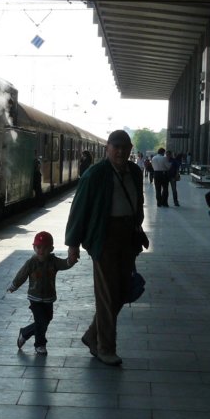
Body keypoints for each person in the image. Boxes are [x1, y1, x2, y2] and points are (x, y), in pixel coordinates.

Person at [65, 129, 148, 367]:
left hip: (128, 236)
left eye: (125, 147)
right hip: (104, 237)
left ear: (130, 149)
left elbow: (138, 202)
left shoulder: (134, 171)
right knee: (107, 294)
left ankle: (93, 335)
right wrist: (73, 244)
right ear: (107, 149)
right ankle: (105, 348)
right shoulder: (95, 174)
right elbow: (79, 209)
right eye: (116, 147)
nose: (120, 152)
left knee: (122, 291)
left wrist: (137, 225)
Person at [8, 230, 77, 355]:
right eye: (38, 247)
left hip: (49, 298)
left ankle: (25, 332)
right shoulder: (31, 262)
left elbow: (64, 264)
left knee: (47, 319)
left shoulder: (53, 261)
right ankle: (40, 344)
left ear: (51, 249)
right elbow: (22, 275)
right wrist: (14, 285)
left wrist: (70, 261)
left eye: (45, 248)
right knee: (41, 321)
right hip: (35, 298)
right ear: (34, 247)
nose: (41, 251)